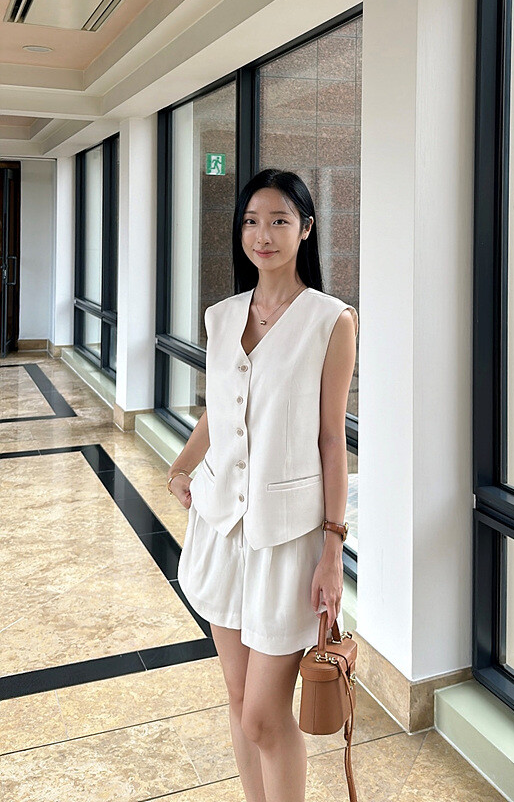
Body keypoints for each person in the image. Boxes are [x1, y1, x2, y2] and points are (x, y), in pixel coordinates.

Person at [167, 168, 358, 802]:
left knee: (263, 716)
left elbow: (331, 440)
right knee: (236, 696)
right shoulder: (221, 317)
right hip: (221, 529)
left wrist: (333, 550)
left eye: (279, 220)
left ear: (306, 229)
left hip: (286, 540)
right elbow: (218, 411)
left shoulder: (330, 321)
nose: (263, 235)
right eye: (251, 221)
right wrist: (182, 465)